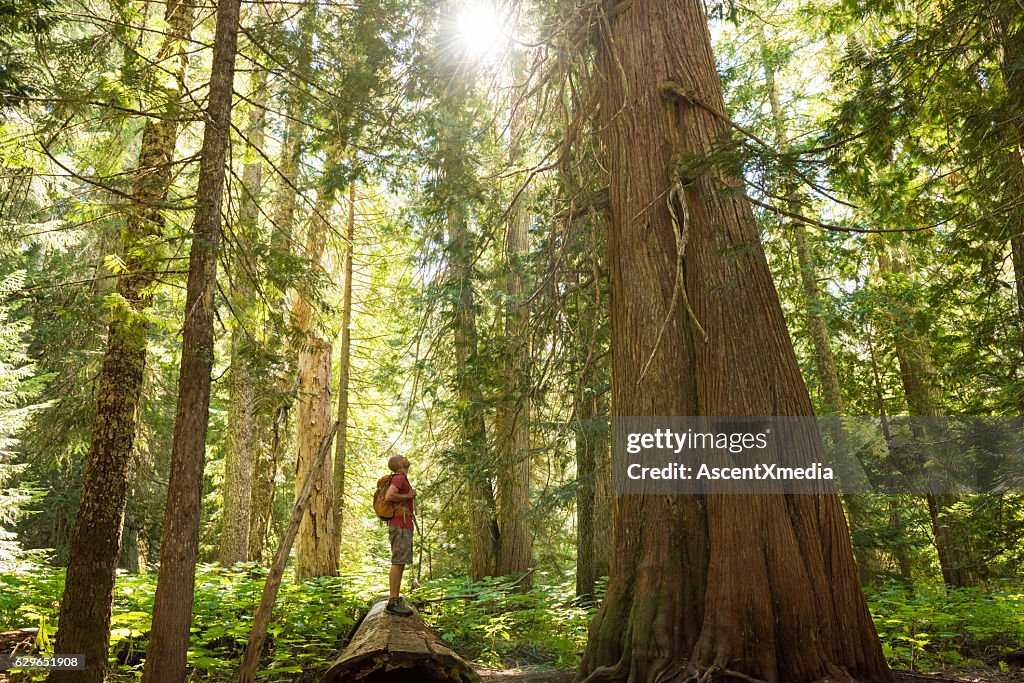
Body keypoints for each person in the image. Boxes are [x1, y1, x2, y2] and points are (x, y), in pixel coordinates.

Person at [384, 454, 416, 616]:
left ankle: (395, 599)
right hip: (400, 524)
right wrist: (408, 496)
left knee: (401, 561)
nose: (405, 457)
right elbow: (389, 496)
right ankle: (392, 602)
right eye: (402, 457)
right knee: (398, 561)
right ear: (399, 465)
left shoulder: (401, 478)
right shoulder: (399, 478)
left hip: (402, 523)